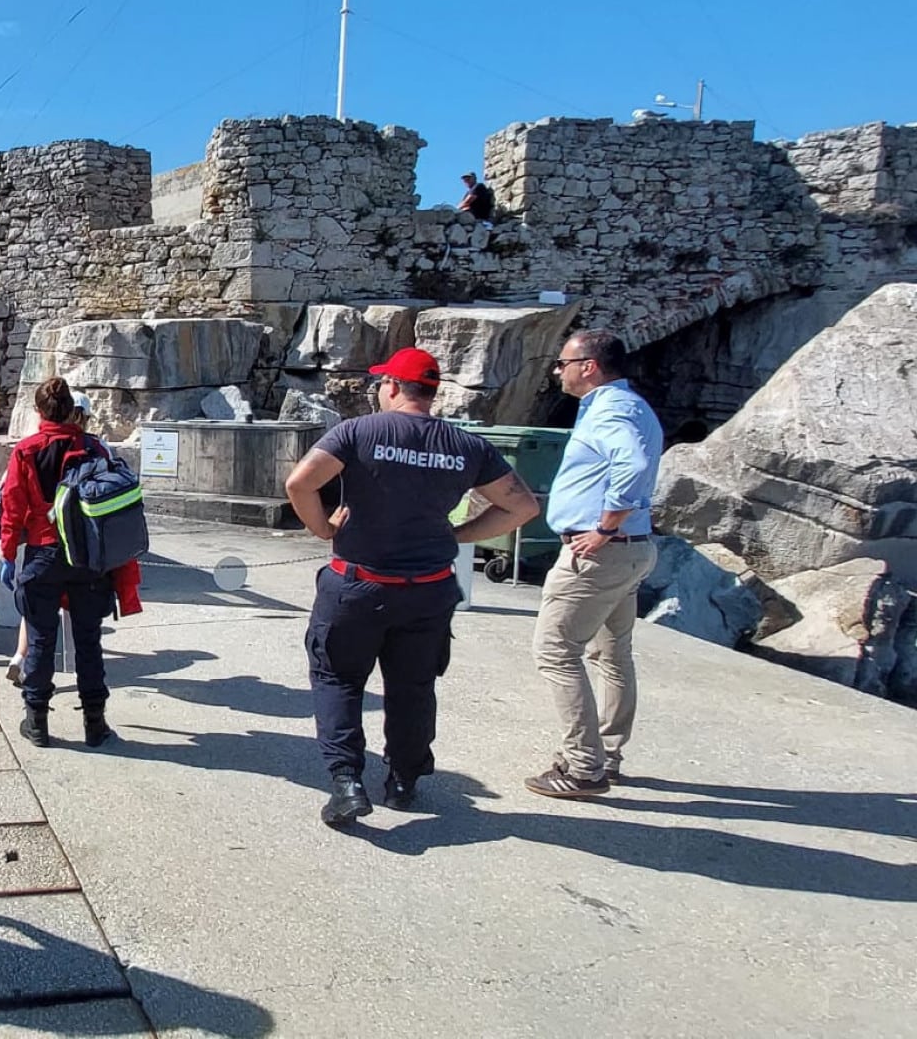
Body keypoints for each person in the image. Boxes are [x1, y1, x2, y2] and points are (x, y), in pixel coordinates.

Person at [284, 347, 540, 827]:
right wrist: (457, 534)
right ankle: (403, 780)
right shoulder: (466, 446)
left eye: (382, 383)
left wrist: (323, 530)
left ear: (394, 388)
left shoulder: (359, 431)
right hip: (427, 590)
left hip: (357, 585)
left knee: (338, 679)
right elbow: (523, 507)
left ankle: (346, 783)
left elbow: (299, 483)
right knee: (412, 687)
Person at [525, 329, 663, 799]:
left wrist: (605, 525)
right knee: (612, 654)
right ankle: (609, 753)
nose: (557, 371)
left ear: (589, 365)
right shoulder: (633, 407)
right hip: (632, 548)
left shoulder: (611, 410)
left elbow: (634, 462)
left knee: (556, 651)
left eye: (563, 362)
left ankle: (584, 767)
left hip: (600, 553)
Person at [0, 377, 117, 748]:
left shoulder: (26, 450)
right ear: (72, 412)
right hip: (86, 555)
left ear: (38, 413)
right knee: (88, 641)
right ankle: (95, 724)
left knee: (40, 639)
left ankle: (37, 723)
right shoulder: (95, 449)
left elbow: (12, 506)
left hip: (42, 553)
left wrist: (7, 551)